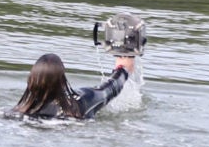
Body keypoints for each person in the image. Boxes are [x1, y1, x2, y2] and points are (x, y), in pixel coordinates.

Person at [7, 51, 135, 120]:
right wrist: (122, 68)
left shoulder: (17, 112)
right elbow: (112, 87)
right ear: (62, 78)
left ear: (32, 79)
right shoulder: (81, 103)